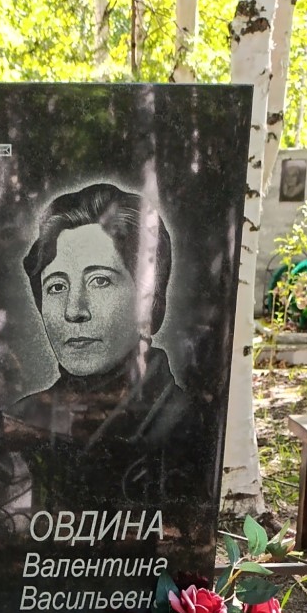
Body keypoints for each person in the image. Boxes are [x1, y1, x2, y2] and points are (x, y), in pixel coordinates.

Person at [14, 181, 192, 459]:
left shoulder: (188, 423)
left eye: (99, 281)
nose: (74, 311)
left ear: (149, 300)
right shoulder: (18, 421)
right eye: (57, 286)